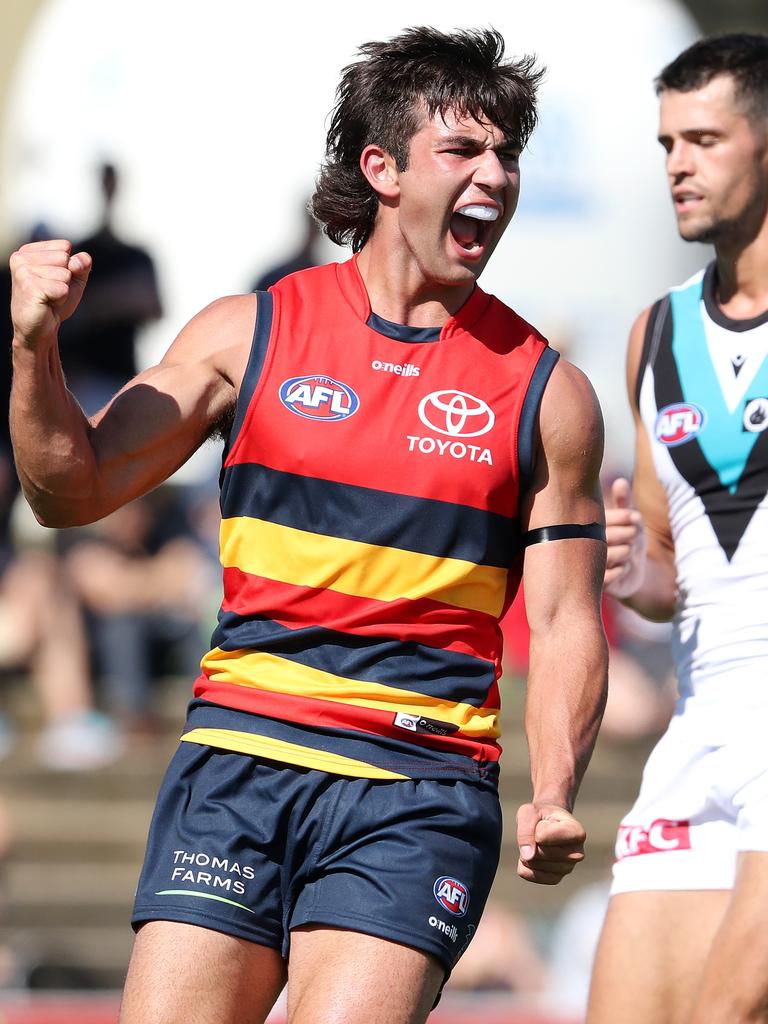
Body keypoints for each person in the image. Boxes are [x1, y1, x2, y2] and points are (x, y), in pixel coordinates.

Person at [9, 27, 607, 1024]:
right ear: (382, 167)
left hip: (417, 790)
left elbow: (568, 617)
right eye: (464, 151)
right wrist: (34, 350)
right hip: (238, 763)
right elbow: (67, 491)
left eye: (508, 154)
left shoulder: (548, 394)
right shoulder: (250, 333)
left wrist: (553, 788)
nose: (495, 176)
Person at [587, 34, 768, 1024]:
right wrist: (632, 571)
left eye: (704, 138)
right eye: (666, 144)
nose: (677, 167)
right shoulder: (655, 332)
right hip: (701, 723)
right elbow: (672, 572)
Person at [58, 162, 162, 414]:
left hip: (125, 379)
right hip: (85, 381)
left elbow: (155, 308)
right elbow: (67, 315)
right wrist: (119, 299)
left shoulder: (137, 255)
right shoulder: (80, 251)